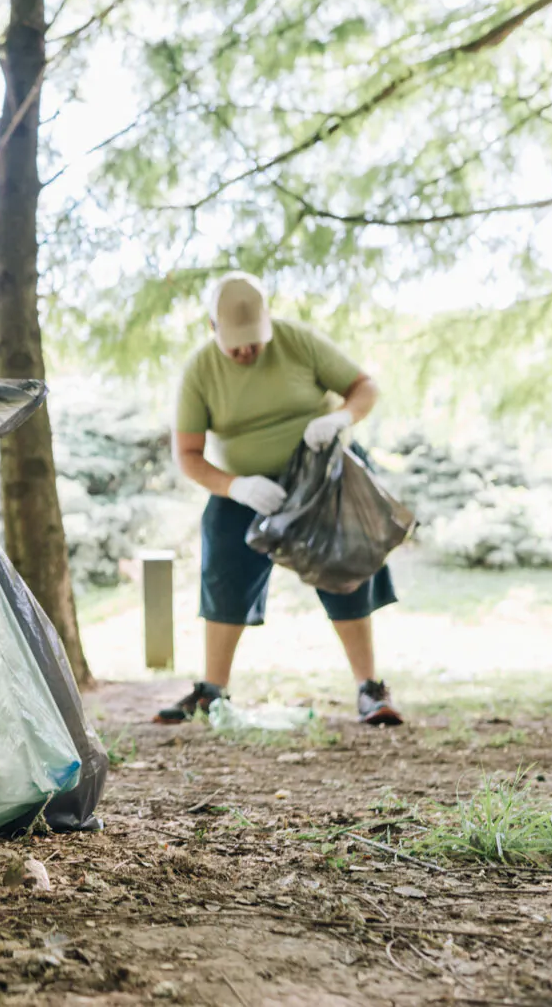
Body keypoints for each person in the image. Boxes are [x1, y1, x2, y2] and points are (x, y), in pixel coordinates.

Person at [157, 271, 403, 727]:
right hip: (245, 486)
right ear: (213, 329)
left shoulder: (297, 341)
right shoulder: (200, 370)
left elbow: (364, 386)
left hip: (321, 476)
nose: (247, 351)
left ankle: (369, 687)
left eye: (255, 341)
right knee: (223, 568)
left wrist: (341, 418)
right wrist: (236, 487)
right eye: (237, 345)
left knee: (345, 569)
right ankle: (212, 691)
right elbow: (188, 455)